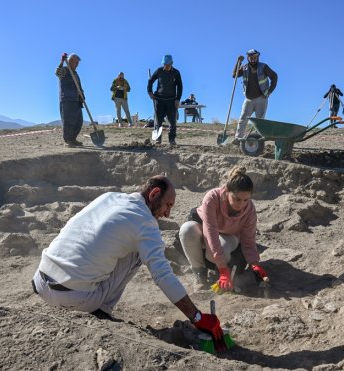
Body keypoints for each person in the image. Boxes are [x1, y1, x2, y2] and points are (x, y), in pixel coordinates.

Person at [32, 175, 224, 341]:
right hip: (73, 297)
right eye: (168, 205)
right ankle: (102, 311)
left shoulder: (109, 197)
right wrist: (197, 317)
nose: (167, 213)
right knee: (138, 252)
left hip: (41, 281)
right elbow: (163, 275)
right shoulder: (145, 224)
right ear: (154, 194)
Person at [178, 167, 268, 291]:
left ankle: (219, 275)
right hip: (207, 230)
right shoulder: (212, 198)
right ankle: (200, 273)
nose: (241, 204)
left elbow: (248, 240)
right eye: (237, 199)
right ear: (227, 191)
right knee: (186, 230)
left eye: (245, 200)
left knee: (221, 248)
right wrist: (223, 269)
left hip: (230, 236)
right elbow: (210, 231)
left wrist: (254, 264)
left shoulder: (250, 210)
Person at [232, 49, 278, 144]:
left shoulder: (263, 67)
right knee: (243, 118)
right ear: (248, 58)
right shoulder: (244, 67)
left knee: (259, 122)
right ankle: (238, 139)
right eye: (250, 57)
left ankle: (257, 141)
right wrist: (238, 62)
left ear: (257, 57)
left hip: (261, 98)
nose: (253, 59)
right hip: (248, 99)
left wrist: (269, 92)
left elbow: (274, 76)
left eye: (254, 57)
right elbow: (234, 75)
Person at [147, 54, 183, 146]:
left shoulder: (176, 73)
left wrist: (178, 99)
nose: (166, 66)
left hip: (171, 100)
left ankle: (172, 140)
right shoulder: (159, 71)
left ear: (171, 63)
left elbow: (180, 86)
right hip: (159, 100)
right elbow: (150, 81)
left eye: (167, 64)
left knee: (172, 121)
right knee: (158, 121)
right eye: (164, 64)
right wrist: (150, 92)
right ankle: (158, 139)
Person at [56, 53, 85, 147]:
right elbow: (57, 72)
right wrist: (61, 62)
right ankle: (68, 141)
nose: (77, 64)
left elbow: (79, 87)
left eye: (78, 63)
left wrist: (82, 96)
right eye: (75, 62)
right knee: (68, 121)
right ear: (70, 61)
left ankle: (73, 139)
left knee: (78, 121)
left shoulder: (76, 74)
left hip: (76, 100)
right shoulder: (65, 70)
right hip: (67, 99)